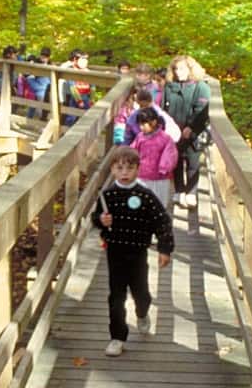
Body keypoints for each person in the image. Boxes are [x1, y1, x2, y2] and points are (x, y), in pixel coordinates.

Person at [89, 146, 174, 357]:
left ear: (138, 169)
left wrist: (165, 249)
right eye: (120, 168)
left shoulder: (145, 196)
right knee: (116, 297)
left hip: (138, 253)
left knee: (141, 293)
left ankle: (142, 313)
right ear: (113, 170)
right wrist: (101, 220)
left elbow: (162, 222)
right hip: (115, 253)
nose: (125, 172)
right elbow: (95, 218)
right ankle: (117, 337)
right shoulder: (107, 195)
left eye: (130, 168)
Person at [161, 55, 213, 209]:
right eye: (176, 69)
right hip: (173, 132)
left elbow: (202, 111)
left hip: (193, 133)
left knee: (193, 163)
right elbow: (164, 109)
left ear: (190, 69)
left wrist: (191, 127)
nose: (178, 72)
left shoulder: (200, 87)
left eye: (182, 68)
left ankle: (191, 192)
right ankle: (179, 190)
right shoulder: (169, 86)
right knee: (176, 162)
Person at [131, 107, 179, 210]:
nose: (141, 127)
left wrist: (164, 167)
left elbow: (170, 154)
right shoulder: (140, 137)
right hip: (142, 176)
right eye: (139, 124)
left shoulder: (165, 139)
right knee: (141, 204)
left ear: (153, 122)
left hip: (159, 178)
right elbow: (133, 150)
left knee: (159, 204)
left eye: (143, 124)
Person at [59, 50, 95, 126]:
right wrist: (79, 100)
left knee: (86, 118)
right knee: (71, 117)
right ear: (76, 60)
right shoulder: (71, 70)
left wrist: (92, 99)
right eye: (82, 59)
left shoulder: (88, 72)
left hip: (86, 97)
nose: (84, 61)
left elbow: (93, 86)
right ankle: (66, 133)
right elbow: (72, 87)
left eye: (86, 60)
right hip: (75, 98)